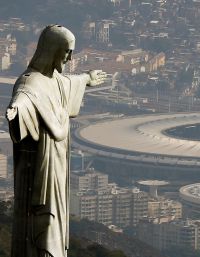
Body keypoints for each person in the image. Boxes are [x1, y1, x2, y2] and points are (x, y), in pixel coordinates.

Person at [6, 25, 106, 257]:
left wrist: (87, 78)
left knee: (57, 219)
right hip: (42, 167)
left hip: (58, 167)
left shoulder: (55, 80)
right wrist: (16, 109)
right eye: (67, 51)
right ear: (52, 50)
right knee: (43, 221)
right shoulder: (30, 83)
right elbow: (24, 97)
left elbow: (69, 83)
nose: (70, 57)